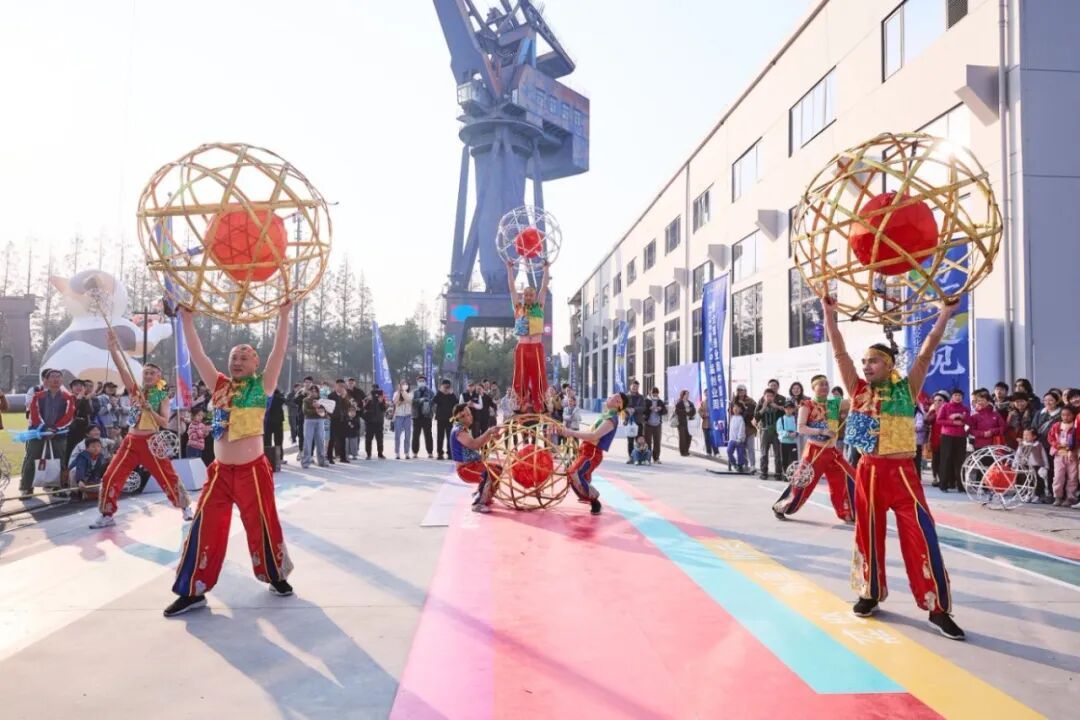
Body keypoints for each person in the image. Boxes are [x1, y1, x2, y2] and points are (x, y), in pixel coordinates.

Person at [822, 294, 965, 640]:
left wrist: (945, 315)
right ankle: (869, 593)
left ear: (888, 364)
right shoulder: (857, 389)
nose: (866, 366)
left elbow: (927, 351)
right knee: (867, 534)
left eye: (873, 361)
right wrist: (829, 314)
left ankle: (937, 608)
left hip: (903, 474)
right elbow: (839, 350)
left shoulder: (907, 388)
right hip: (869, 472)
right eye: (864, 361)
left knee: (922, 535)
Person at [166, 302, 294, 617]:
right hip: (220, 473)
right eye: (234, 357)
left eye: (244, 357)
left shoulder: (263, 385)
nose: (237, 361)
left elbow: (278, 352)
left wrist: (283, 316)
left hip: (253, 471)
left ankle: (275, 576)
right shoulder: (219, 385)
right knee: (204, 526)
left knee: (262, 523)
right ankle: (192, 590)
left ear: (255, 363)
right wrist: (187, 320)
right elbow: (198, 355)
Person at [92, 332, 192, 529]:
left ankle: (185, 507)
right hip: (130, 441)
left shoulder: (162, 397)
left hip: (152, 441)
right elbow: (122, 370)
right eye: (145, 373)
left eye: (152, 373)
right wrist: (112, 348)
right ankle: (107, 514)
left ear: (159, 377)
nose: (148, 376)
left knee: (167, 476)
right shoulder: (136, 391)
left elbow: (164, 423)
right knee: (111, 475)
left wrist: (150, 410)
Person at [772, 375, 854, 522]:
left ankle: (846, 512)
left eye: (826, 384)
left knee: (845, 480)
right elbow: (801, 428)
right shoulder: (806, 405)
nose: (824, 387)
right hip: (815, 451)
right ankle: (782, 507)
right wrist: (821, 431)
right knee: (802, 483)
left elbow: (854, 401)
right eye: (821, 384)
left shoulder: (835, 403)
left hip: (833, 451)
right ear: (813, 387)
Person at [554, 392, 627, 515]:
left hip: (592, 453)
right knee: (578, 475)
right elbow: (590, 433)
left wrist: (571, 432)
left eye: (612, 397)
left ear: (618, 403)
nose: (608, 397)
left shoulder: (611, 419)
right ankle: (588, 498)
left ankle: (594, 500)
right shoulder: (606, 415)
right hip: (586, 449)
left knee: (574, 473)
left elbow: (594, 436)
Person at [19, 369, 75, 497]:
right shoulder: (38, 396)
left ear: (62, 380)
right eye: (52, 377)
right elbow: (34, 414)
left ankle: (56, 487)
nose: (56, 379)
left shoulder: (68, 397)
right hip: (38, 432)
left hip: (59, 434)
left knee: (59, 459)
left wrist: (55, 429)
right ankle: (26, 487)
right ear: (46, 380)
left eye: (58, 377)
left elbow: (69, 416)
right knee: (32, 458)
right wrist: (44, 429)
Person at [507, 259, 551, 413]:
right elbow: (512, 289)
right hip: (523, 347)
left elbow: (544, 288)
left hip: (536, 347)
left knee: (539, 375)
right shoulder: (518, 307)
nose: (529, 297)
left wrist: (546, 269)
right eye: (526, 294)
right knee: (520, 375)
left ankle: (541, 404)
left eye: (531, 294)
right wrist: (510, 270)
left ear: (534, 296)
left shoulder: (539, 306)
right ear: (523, 296)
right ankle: (520, 403)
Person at [449, 404, 500, 513]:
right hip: (465, 469)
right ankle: (478, 504)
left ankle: (483, 495)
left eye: (470, 414)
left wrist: (490, 436)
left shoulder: (463, 429)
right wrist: (488, 432)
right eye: (468, 414)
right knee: (489, 473)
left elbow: (478, 443)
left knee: (497, 469)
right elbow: (474, 445)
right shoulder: (459, 431)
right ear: (460, 417)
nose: (471, 416)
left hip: (473, 465)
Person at [936, 389, 969, 492]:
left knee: (960, 461)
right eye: (955, 395)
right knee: (946, 460)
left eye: (960, 395)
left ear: (962, 397)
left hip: (961, 436)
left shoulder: (965, 408)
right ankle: (943, 485)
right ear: (952, 396)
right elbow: (938, 420)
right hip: (947, 436)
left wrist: (963, 418)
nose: (958, 397)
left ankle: (961, 486)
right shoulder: (945, 406)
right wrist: (952, 420)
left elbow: (969, 421)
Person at [1033, 391, 1062, 502]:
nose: (1048, 402)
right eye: (1045, 400)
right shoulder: (1039, 413)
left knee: (1052, 470)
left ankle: (1052, 494)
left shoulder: (1060, 414)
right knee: (1037, 469)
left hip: (1052, 446)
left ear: (1057, 401)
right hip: (1038, 446)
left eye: (1051, 400)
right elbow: (1033, 427)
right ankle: (1038, 493)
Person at [1048, 405, 1079, 507]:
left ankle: (1070, 497)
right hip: (1059, 454)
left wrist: (1072, 447)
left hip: (1072, 454)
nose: (1065, 417)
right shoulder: (1057, 425)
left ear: (1073, 415)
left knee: (1072, 477)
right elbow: (1050, 438)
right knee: (1058, 476)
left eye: (1068, 415)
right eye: (1063, 415)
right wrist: (1058, 445)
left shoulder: (1076, 426)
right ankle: (1057, 496)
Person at [755, 388, 784, 480]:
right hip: (765, 431)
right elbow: (756, 417)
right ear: (764, 397)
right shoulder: (760, 405)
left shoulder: (777, 405)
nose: (769, 398)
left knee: (778, 454)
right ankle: (764, 472)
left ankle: (778, 473)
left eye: (771, 396)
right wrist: (763, 408)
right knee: (764, 453)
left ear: (774, 397)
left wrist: (777, 407)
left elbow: (785, 413)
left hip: (776, 432)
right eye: (767, 396)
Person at [1016, 427, 1050, 503]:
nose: (1025, 437)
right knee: (1025, 481)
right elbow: (1018, 455)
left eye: (1027, 435)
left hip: (1036, 466)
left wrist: (1045, 466)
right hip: (1025, 466)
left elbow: (1044, 456)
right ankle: (1026, 495)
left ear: (1034, 436)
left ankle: (1036, 496)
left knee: (1036, 481)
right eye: (1024, 435)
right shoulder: (1022, 445)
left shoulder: (1038, 445)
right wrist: (1015, 464)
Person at [732, 385, 758, 468]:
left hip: (749, 428)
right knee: (741, 448)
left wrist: (744, 406)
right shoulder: (734, 400)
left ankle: (752, 465)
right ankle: (745, 465)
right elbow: (731, 411)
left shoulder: (750, 401)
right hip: (738, 428)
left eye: (742, 390)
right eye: (738, 390)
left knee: (750, 448)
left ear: (745, 391)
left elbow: (754, 412)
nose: (740, 392)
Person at [301, 386, 327, 469]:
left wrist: (319, 409)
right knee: (307, 441)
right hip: (309, 421)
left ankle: (322, 461)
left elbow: (324, 411)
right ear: (309, 392)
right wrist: (316, 410)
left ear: (318, 392)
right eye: (312, 391)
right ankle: (305, 462)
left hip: (320, 421)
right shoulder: (306, 400)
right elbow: (305, 411)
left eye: (315, 391)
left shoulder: (322, 400)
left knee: (320, 441)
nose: (313, 392)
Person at [412, 374, 435, 459]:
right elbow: (412, 402)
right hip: (417, 416)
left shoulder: (430, 392)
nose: (421, 382)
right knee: (415, 435)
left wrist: (427, 400)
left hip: (427, 416)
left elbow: (434, 402)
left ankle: (430, 452)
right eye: (420, 381)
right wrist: (419, 400)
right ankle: (415, 452)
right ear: (417, 382)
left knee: (428, 435)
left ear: (425, 382)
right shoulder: (414, 392)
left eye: (423, 381)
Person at [329, 380, 351, 464]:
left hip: (343, 419)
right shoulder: (331, 395)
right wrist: (341, 398)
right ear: (336, 386)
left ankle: (343, 457)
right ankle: (330, 457)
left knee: (342, 439)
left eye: (343, 386)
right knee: (332, 439)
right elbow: (331, 407)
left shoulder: (345, 395)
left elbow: (348, 406)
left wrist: (345, 397)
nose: (341, 387)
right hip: (334, 419)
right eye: (339, 385)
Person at [434, 379, 458, 460]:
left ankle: (450, 453)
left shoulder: (451, 395)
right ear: (442, 386)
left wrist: (452, 394)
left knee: (449, 437)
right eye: (444, 386)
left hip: (449, 419)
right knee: (440, 436)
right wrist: (440, 392)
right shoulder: (439, 394)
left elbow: (456, 403)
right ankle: (439, 453)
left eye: (447, 386)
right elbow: (434, 400)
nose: (446, 388)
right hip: (440, 418)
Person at [624, 380, 647, 463]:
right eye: (633, 386)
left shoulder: (641, 397)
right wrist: (627, 409)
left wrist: (634, 409)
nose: (635, 388)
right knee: (630, 441)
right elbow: (622, 407)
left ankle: (640, 458)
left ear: (638, 388)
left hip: (638, 422)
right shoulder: (626, 396)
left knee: (640, 441)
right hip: (629, 422)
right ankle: (631, 457)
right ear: (630, 386)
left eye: (636, 387)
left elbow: (643, 407)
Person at [363, 388, 388, 459]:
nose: (376, 397)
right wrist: (368, 400)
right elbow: (365, 408)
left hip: (379, 423)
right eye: (374, 395)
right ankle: (368, 454)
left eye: (378, 395)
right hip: (369, 422)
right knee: (368, 439)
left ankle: (380, 453)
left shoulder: (382, 401)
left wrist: (381, 402)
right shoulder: (369, 400)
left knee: (379, 439)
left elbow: (384, 409)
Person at [643, 388, 666, 463]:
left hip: (657, 424)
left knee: (657, 441)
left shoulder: (660, 401)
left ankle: (656, 458)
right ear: (650, 393)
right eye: (653, 393)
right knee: (647, 441)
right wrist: (649, 408)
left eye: (656, 393)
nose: (655, 394)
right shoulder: (646, 401)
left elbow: (665, 411)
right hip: (648, 424)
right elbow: (643, 411)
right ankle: (647, 458)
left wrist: (660, 409)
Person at [265, 387, 287, 466]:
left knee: (278, 441)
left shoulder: (278, 395)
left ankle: (279, 458)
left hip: (277, 421)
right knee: (267, 441)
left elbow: (283, 401)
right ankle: (267, 458)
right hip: (268, 421)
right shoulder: (265, 395)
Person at [392, 380, 413, 459]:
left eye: (406, 384)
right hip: (398, 416)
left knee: (407, 435)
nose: (404, 385)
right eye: (403, 384)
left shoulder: (410, 393)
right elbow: (395, 402)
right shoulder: (396, 393)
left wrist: (403, 393)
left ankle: (407, 452)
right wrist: (399, 392)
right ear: (399, 385)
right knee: (397, 435)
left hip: (407, 416)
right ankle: (397, 453)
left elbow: (409, 400)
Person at [776, 400, 799, 472]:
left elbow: (799, 429)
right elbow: (779, 430)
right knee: (784, 459)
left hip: (794, 443)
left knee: (793, 460)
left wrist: (796, 433)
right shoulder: (781, 419)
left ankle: (793, 474)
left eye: (790, 408)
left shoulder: (796, 419)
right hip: (784, 443)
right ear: (784, 409)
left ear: (793, 409)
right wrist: (788, 434)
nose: (788, 410)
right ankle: (785, 474)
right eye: (787, 408)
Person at [726, 401, 748, 472]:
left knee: (740, 453)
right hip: (732, 439)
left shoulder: (741, 419)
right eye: (734, 407)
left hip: (739, 439)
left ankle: (740, 466)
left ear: (741, 410)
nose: (735, 409)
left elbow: (741, 429)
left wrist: (740, 438)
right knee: (729, 451)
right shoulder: (732, 417)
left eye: (737, 408)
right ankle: (734, 464)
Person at [674, 389, 696, 456]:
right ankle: (682, 452)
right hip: (681, 422)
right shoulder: (679, 403)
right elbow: (677, 411)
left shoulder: (690, 403)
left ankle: (686, 450)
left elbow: (694, 411)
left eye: (688, 394)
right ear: (683, 395)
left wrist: (688, 412)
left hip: (689, 422)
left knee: (689, 436)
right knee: (682, 437)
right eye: (686, 394)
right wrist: (686, 411)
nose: (687, 395)